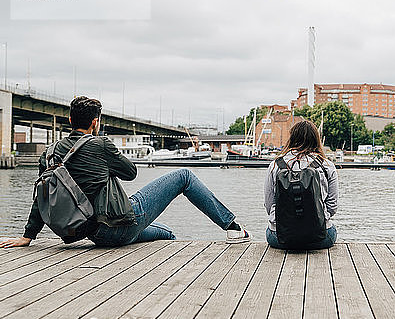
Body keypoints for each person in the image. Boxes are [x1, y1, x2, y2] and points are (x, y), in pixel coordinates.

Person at [0, 96, 250, 248]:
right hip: (118, 225)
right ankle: (234, 228)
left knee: (167, 233)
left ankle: (171, 245)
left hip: (93, 234)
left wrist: (27, 236)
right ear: (95, 122)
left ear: (69, 121)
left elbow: (41, 196)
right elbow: (130, 173)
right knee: (183, 176)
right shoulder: (101, 144)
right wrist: (105, 160)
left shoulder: (51, 152)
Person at [264, 120, 338, 249]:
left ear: (292, 138)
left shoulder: (275, 165)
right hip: (319, 237)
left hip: (280, 237)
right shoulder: (327, 166)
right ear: (316, 139)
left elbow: (269, 203)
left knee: (271, 230)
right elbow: (332, 206)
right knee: (332, 230)